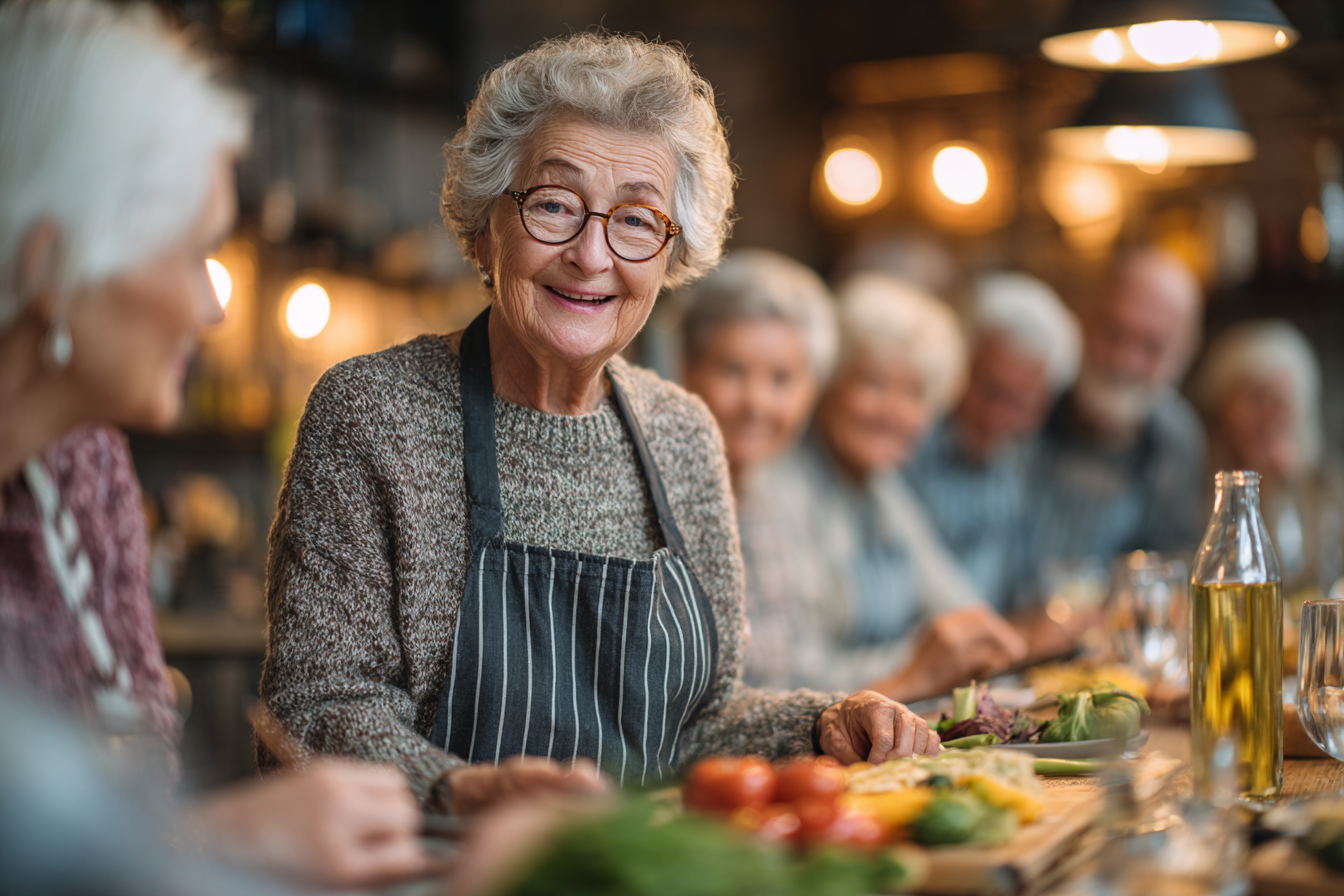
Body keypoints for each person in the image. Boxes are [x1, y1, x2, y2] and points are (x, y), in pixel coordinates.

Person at [260, 31, 941, 821]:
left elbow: (697, 726)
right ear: (485, 227)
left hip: (633, 865)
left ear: (670, 256)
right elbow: (311, 707)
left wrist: (824, 720)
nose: (592, 255)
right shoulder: (372, 413)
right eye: (553, 205)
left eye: (637, 220)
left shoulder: (682, 431)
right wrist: (459, 791)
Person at [0, 1, 430, 887]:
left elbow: (125, 801)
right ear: (50, 271)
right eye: (199, 252)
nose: (218, 305)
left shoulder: (84, 464)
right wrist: (217, 842)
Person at [736, 272, 1026, 698]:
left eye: (915, 393)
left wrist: (989, 643)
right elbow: (792, 678)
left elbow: (963, 612)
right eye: (873, 382)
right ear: (830, 383)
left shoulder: (882, 490)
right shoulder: (770, 487)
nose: (895, 412)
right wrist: (920, 662)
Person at [678, 249, 838, 689]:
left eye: (781, 379)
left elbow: (797, 675)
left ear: (812, 390)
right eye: (732, 370)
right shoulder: (666, 500)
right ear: (687, 368)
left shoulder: (782, 494)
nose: (757, 403)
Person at [1018, 248, 1206, 610]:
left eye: (1151, 346)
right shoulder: (1026, 400)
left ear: (1184, 351)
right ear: (1083, 317)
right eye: (1112, 331)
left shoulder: (1177, 438)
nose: (1124, 360)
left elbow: (1171, 571)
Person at [904, 272, 1080, 612]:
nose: (996, 417)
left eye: (1019, 403)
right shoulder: (907, 444)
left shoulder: (1031, 462)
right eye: (987, 391)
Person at [1191, 320, 1344, 604]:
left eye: (1285, 401)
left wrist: (1285, 490)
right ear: (1222, 402)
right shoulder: (1192, 470)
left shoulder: (1323, 482)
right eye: (1257, 397)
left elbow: (1315, 575)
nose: (1273, 416)